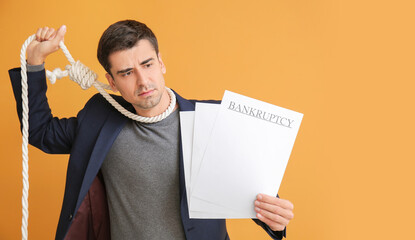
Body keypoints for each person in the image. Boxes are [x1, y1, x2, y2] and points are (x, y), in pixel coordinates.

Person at [9, 20, 294, 240]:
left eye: (147, 64)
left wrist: (274, 218)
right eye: (126, 73)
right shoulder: (99, 118)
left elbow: (249, 186)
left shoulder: (211, 119)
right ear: (111, 81)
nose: (143, 80)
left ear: (161, 62)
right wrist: (34, 64)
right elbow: (41, 132)